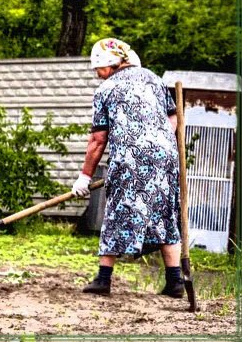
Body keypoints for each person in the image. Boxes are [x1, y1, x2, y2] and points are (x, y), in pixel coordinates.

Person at [72, 38, 184, 297]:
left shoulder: (106, 90)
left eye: (97, 69)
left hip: (129, 159)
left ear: (109, 64)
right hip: (166, 155)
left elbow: (98, 140)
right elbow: (173, 116)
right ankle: (175, 281)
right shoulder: (154, 79)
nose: (97, 75)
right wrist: (156, 141)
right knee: (165, 212)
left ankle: (103, 279)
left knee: (117, 210)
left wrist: (84, 176)